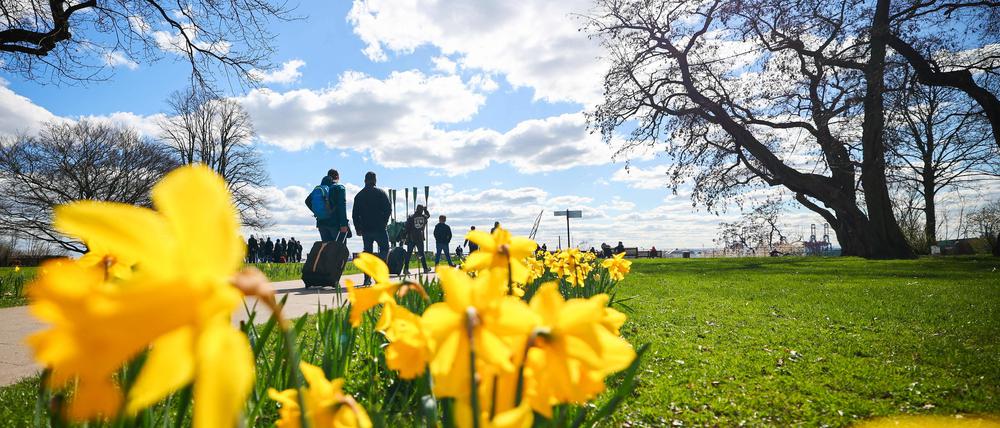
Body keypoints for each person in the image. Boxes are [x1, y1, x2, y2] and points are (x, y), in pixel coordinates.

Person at [352, 171, 392, 285]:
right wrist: (384, 222)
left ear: (365, 180)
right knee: (384, 249)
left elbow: (355, 214)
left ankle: (367, 279)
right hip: (379, 228)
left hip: (366, 229)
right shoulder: (381, 193)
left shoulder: (359, 195)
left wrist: (358, 228)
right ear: (375, 180)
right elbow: (388, 209)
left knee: (367, 254)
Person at [304, 170, 349, 242]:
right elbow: (342, 206)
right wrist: (343, 224)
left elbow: (307, 201)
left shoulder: (320, 189)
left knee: (327, 249)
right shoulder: (339, 188)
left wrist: (318, 212)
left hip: (321, 223)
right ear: (337, 177)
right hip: (335, 223)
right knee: (339, 250)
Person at [402, 204, 431, 275]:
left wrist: (404, 236)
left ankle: (406, 269)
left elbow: (407, 228)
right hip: (419, 237)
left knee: (409, 254)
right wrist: (425, 210)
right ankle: (425, 268)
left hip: (411, 237)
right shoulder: (424, 217)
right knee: (421, 253)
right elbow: (428, 215)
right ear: (421, 210)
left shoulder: (411, 217)